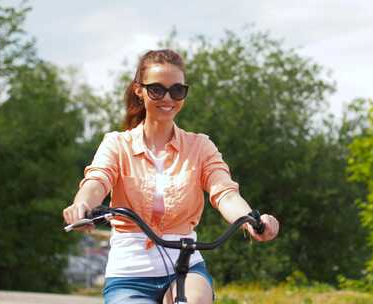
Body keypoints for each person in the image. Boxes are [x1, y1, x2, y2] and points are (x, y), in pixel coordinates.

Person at [62, 49, 280, 304]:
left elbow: (225, 193)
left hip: (185, 267)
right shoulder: (117, 144)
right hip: (130, 274)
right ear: (138, 90)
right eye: (157, 89)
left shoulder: (200, 146)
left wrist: (251, 220)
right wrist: (82, 205)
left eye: (177, 90)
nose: (168, 98)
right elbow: (97, 181)